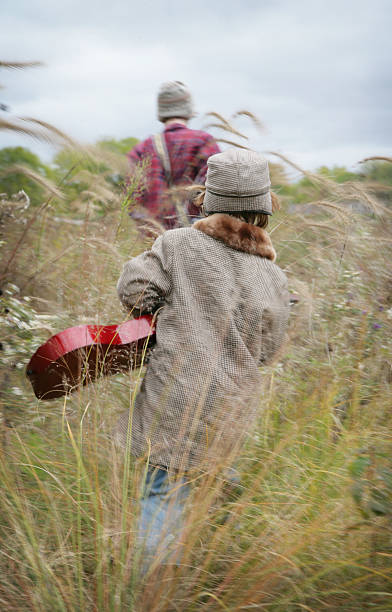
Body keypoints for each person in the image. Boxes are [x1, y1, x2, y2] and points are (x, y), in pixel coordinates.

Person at [116, 148, 290, 566]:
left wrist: (159, 311)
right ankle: (210, 561)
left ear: (206, 200)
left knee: (163, 490)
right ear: (264, 210)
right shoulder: (274, 275)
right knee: (212, 475)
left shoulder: (176, 245)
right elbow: (269, 348)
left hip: (174, 398)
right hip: (231, 407)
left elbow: (135, 289)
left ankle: (156, 583)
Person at [127, 80, 220, 232]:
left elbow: (131, 198)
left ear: (161, 111)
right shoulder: (204, 142)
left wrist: (147, 228)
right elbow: (217, 187)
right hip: (195, 236)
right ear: (189, 110)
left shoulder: (142, 149)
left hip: (155, 241)